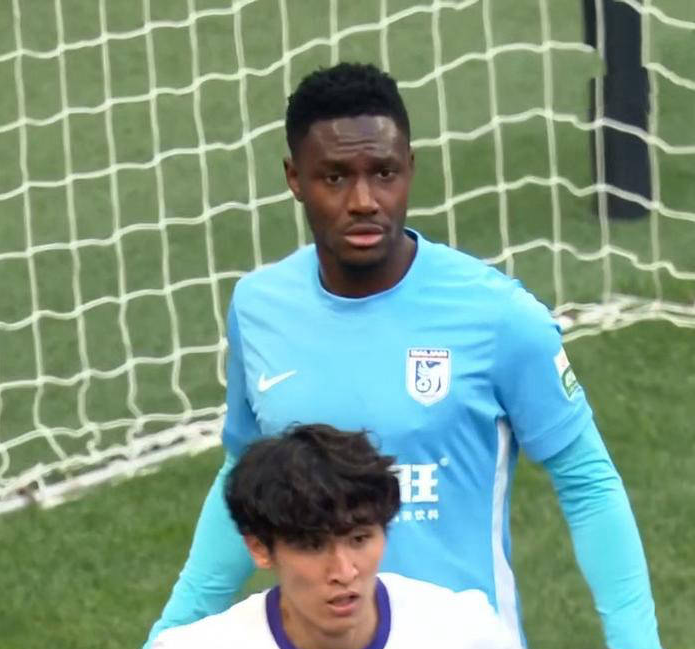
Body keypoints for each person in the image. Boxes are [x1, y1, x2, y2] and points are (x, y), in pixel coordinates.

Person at [144, 62, 660, 649]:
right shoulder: (259, 308)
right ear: (294, 178)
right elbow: (243, 475)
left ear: (410, 168)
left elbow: (588, 483)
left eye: (384, 173)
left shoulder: (498, 316)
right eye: (335, 177)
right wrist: (173, 629)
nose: (364, 200)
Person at [152, 423, 523, 649]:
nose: (344, 571)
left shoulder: (464, 633)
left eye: (359, 540)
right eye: (313, 546)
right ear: (260, 549)